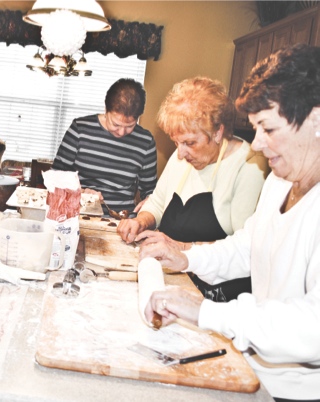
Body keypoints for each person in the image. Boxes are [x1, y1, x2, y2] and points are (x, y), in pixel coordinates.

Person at [141, 44, 320, 401]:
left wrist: (207, 312)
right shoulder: (279, 183)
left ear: (316, 119)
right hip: (253, 369)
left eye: (267, 129)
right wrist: (187, 258)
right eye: (255, 130)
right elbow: (247, 247)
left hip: (299, 393)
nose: (256, 145)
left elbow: (312, 327)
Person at [118, 77, 268, 302]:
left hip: (215, 294)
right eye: (176, 143)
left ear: (218, 132)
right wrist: (141, 221)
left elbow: (245, 248)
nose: (180, 154)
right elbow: (158, 203)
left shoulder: (249, 164)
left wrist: (182, 247)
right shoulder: (182, 157)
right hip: (174, 277)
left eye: (189, 143)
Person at [51, 78, 157, 214]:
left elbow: (150, 191)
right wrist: (81, 192)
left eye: (130, 126)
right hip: (78, 215)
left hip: (122, 220)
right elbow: (55, 177)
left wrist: (149, 201)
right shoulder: (80, 129)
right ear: (106, 109)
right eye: (116, 124)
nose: (121, 132)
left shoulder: (145, 141)